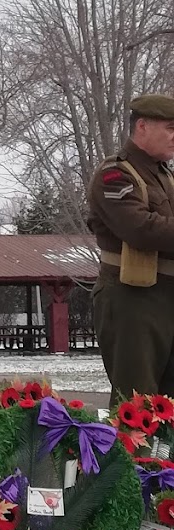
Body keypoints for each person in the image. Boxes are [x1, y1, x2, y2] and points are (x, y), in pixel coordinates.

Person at [88, 94, 174, 404]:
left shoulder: (165, 176)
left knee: (169, 406)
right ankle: (132, 456)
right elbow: (140, 229)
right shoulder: (115, 174)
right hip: (132, 299)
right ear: (142, 127)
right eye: (170, 128)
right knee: (136, 405)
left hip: (165, 297)